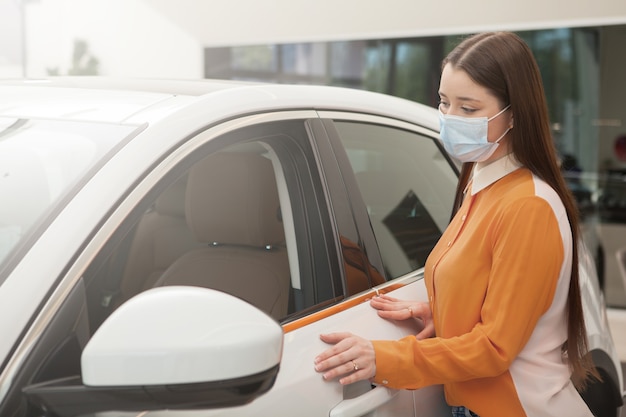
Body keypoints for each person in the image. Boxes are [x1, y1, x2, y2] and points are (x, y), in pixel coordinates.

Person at [313, 31, 598, 417]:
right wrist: (444, 312)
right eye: (445, 102)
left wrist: (384, 357)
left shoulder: (527, 206)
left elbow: (496, 348)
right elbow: (491, 293)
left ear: (513, 114)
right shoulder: (481, 186)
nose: (449, 119)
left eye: (469, 109)